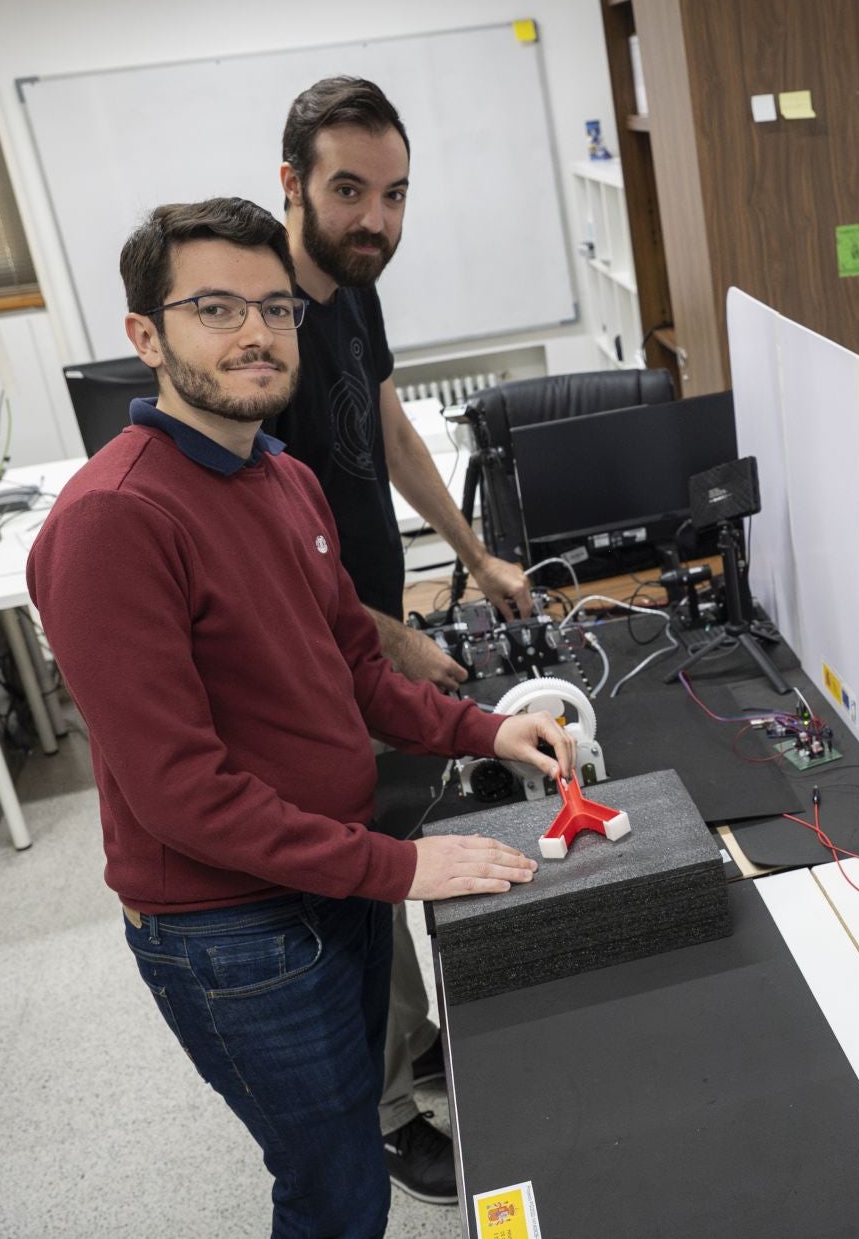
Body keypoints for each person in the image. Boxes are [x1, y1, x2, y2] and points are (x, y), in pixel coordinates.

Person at [27, 197, 574, 1238]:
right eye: (217, 309)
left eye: (275, 309)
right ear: (145, 335)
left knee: (347, 1166)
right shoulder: (113, 523)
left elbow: (356, 671)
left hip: (335, 874)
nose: (256, 334)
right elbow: (180, 795)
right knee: (332, 1192)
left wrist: (481, 727)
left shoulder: (282, 476)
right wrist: (403, 869)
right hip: (236, 932)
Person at [266, 75, 531, 1205]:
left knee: (390, 845)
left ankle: (413, 1040)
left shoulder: (353, 295)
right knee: (348, 881)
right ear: (292, 184)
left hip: (369, 629)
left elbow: (389, 436)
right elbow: (268, 551)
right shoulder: (263, 327)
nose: (377, 217)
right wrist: (386, 642)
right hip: (311, 654)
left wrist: (472, 555)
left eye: (395, 193)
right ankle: (381, 1118)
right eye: (348, 190)